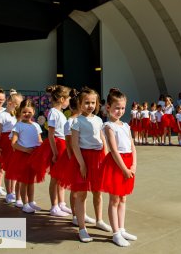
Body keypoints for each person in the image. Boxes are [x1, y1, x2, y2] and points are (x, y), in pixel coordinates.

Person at [62, 87, 111, 242]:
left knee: (98, 191)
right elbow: (75, 144)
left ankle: (99, 220)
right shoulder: (76, 121)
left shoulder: (98, 120)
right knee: (81, 194)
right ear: (80, 103)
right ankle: (82, 228)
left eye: (93, 102)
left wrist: (106, 156)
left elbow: (103, 139)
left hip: (98, 158)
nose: (90, 105)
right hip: (83, 158)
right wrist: (82, 164)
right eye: (87, 102)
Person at [100, 88, 137, 247]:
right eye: (117, 108)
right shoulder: (108, 126)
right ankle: (115, 233)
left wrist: (134, 165)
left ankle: (121, 228)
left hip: (128, 163)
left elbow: (132, 146)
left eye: (122, 108)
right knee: (114, 199)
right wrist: (124, 169)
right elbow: (114, 150)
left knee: (123, 198)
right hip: (116, 164)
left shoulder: (126, 125)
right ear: (108, 107)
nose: (120, 111)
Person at [30, 85, 72, 217]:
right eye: (68, 99)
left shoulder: (59, 113)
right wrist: (54, 152)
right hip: (57, 144)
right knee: (55, 177)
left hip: (62, 143)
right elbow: (51, 134)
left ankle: (61, 203)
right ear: (61, 99)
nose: (69, 102)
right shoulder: (53, 112)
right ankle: (54, 206)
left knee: (61, 176)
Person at [6, 98, 43, 213]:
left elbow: (40, 140)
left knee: (31, 181)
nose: (27, 114)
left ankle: (31, 202)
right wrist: (26, 150)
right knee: (23, 181)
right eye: (24, 112)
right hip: (22, 156)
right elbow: (13, 143)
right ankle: (24, 203)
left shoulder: (36, 126)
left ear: (34, 112)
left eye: (29, 112)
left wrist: (41, 149)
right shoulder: (18, 126)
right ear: (20, 112)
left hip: (33, 156)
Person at [0, 89, 23, 203]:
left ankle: (14, 191)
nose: (17, 107)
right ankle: (9, 192)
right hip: (6, 143)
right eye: (16, 104)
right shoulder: (2, 115)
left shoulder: (17, 116)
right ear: (10, 103)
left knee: (15, 168)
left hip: (15, 142)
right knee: (8, 168)